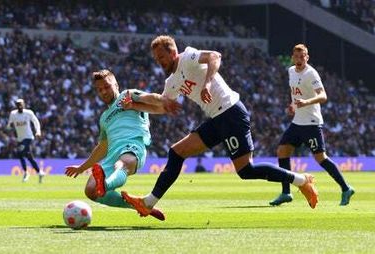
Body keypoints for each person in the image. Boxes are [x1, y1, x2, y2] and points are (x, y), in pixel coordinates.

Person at [120, 35, 319, 217]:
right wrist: (134, 105)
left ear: (173, 52)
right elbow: (163, 105)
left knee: (246, 170)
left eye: (161, 57)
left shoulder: (188, 56)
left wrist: (207, 83)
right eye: (156, 59)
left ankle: (302, 181)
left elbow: (215, 56)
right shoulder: (171, 82)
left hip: (231, 112)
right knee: (177, 152)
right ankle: (148, 203)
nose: (159, 62)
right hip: (217, 118)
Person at [64, 69, 173, 221]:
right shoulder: (104, 118)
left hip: (133, 146)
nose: (103, 91)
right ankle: (140, 205)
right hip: (111, 156)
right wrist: (82, 167)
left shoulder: (127, 96)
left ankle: (106, 184)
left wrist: (163, 100)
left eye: (107, 86)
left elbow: (152, 99)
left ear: (116, 85)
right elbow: (102, 147)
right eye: (99, 89)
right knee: (90, 190)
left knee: (122, 164)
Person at [269, 44, 355, 206]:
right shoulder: (291, 71)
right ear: (292, 58)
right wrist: (293, 106)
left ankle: (346, 188)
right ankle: (286, 192)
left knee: (320, 158)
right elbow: (296, 94)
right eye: (297, 56)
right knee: (282, 151)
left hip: (311, 123)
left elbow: (323, 96)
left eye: (303, 57)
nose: (300, 59)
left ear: (307, 58)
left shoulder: (311, 73)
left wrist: (306, 102)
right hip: (297, 122)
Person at [7, 98, 45, 183]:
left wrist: (38, 131)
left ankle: (26, 173)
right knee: (28, 157)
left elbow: (36, 122)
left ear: (24, 104)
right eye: (17, 104)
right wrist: (9, 127)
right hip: (20, 138)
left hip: (28, 137)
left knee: (20, 152)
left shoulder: (28, 113)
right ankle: (40, 172)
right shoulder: (13, 114)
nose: (19, 105)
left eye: (21, 104)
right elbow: (9, 125)